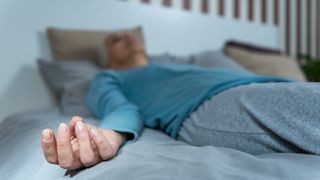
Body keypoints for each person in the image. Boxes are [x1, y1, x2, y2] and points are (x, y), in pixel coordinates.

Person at [41, 32, 320, 170]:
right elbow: (120, 108)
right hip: (211, 104)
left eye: (129, 35)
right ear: (109, 57)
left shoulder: (186, 63)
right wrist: (111, 135)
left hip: (265, 86)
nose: (126, 36)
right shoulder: (110, 76)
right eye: (116, 39)